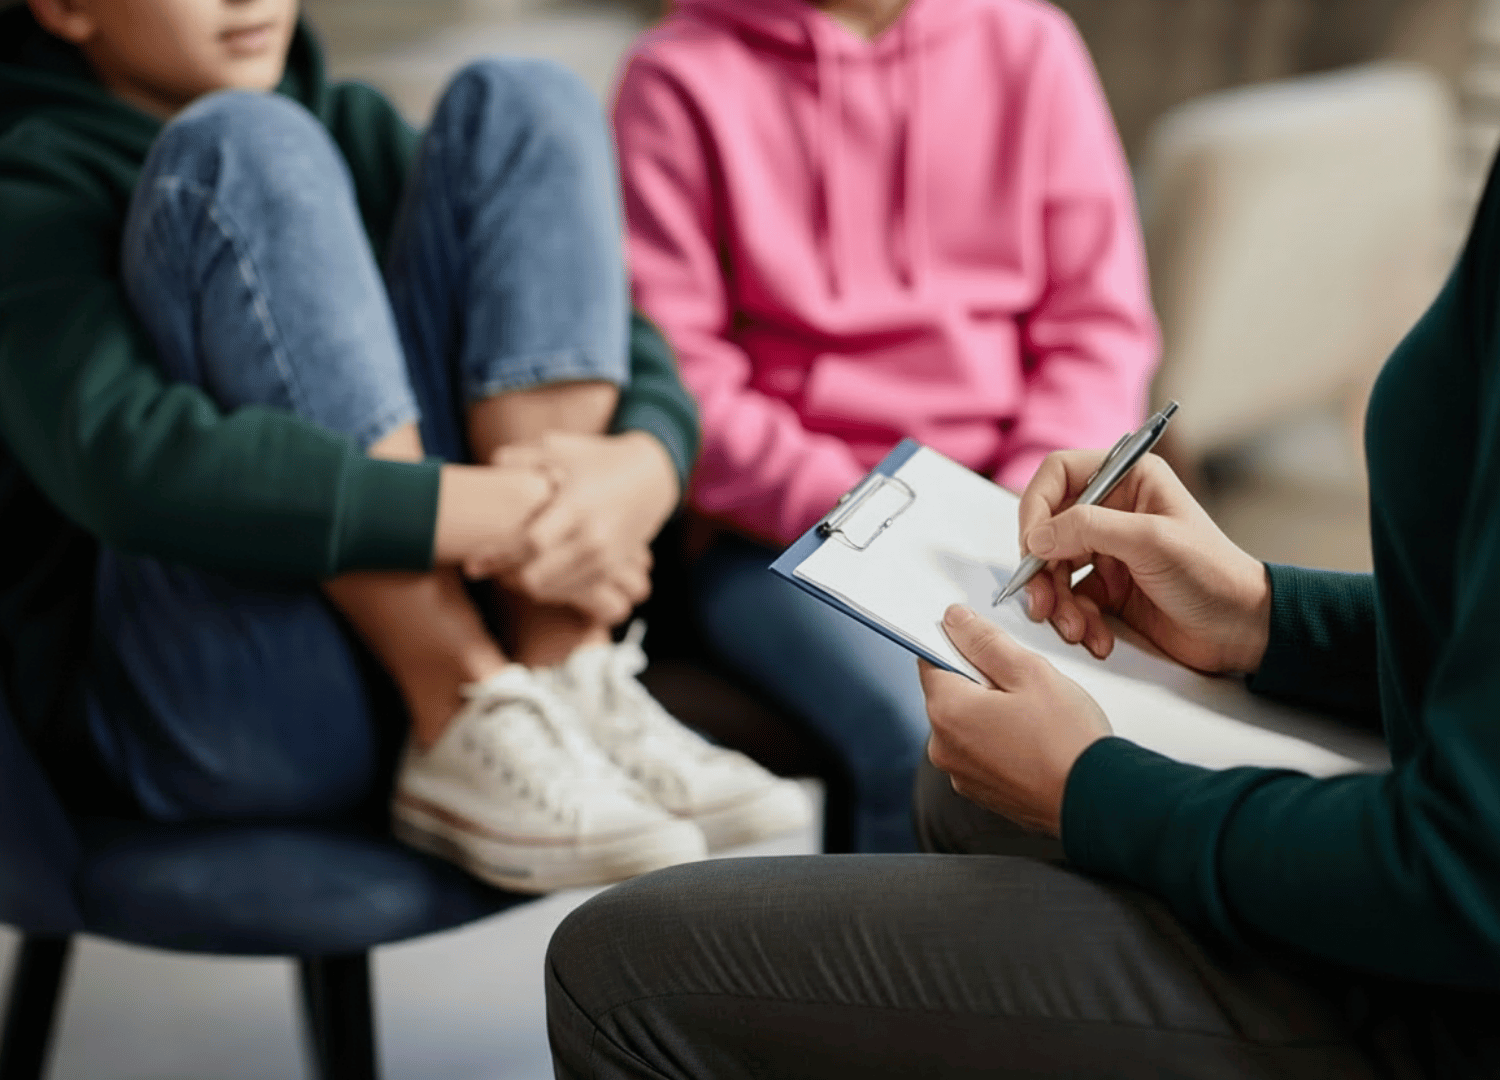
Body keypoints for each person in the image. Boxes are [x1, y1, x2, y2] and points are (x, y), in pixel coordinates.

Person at [544, 127, 1500, 1077]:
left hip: (1445, 997)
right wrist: (1270, 616)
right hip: (803, 517)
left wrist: (1094, 785)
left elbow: (1464, 878)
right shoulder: (686, 85)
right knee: (953, 783)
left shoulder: (1020, 44)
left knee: (613, 972)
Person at [0, 0, 808, 897]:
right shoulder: (29, 180)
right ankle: (456, 695)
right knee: (246, 144)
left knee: (526, 97)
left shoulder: (350, 123)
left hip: (446, 654)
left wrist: (644, 467)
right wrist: (505, 513)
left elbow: (633, 338)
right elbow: (128, 465)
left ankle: (564, 668)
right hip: (214, 709)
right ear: (67, 8)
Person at [611, 0, 1159, 851]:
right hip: (786, 534)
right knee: (934, 740)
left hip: (1012, 513)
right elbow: (680, 378)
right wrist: (876, 515)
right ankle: (892, 984)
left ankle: (1045, 981)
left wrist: (1015, 503)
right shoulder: (674, 78)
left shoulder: (1029, 44)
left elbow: (1098, 324)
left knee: (1132, 732)